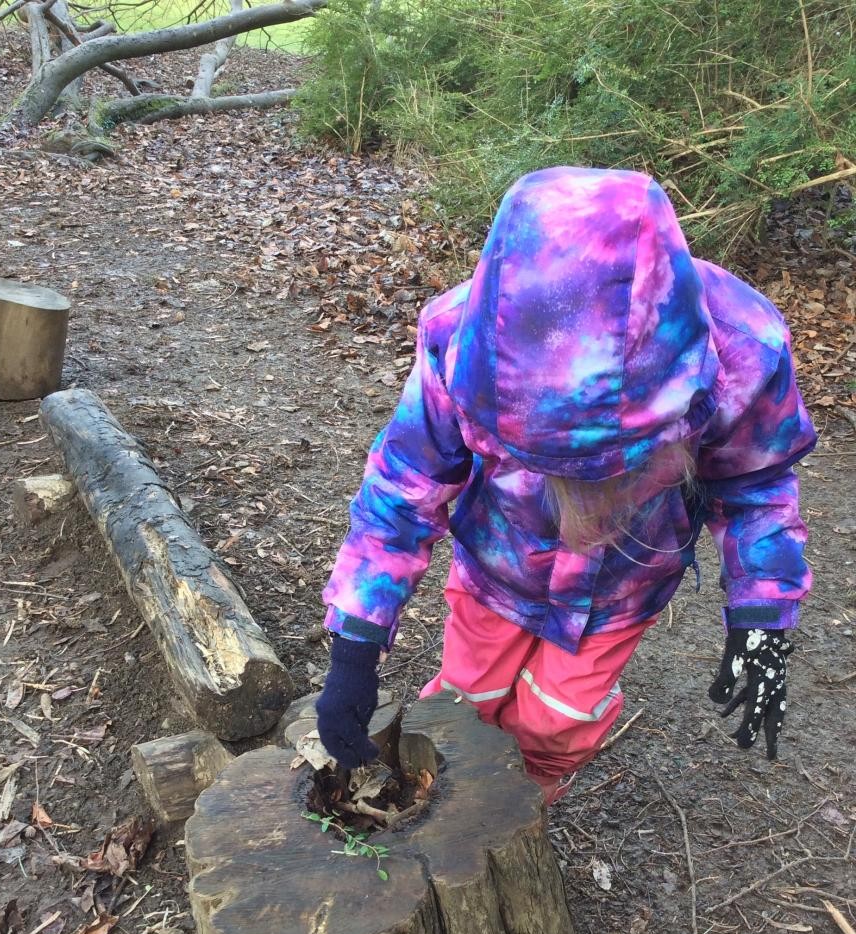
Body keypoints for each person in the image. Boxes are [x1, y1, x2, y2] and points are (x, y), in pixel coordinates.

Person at [315, 166, 816, 803]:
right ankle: (448, 795)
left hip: (622, 590)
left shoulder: (744, 355)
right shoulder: (457, 342)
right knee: (468, 697)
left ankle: (525, 805)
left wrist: (762, 618)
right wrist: (355, 643)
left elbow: (758, 489)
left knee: (559, 720)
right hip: (498, 569)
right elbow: (403, 486)